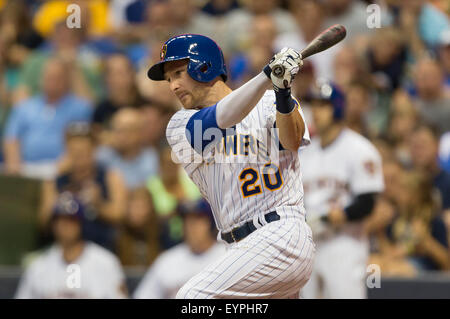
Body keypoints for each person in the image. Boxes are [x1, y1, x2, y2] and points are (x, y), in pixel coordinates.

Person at [147, 34, 314, 298]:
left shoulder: (270, 102)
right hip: (240, 248)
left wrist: (282, 92)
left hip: (282, 234)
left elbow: (292, 141)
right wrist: (266, 76)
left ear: (204, 66)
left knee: (192, 297)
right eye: (169, 79)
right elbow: (223, 117)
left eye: (178, 73)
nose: (173, 86)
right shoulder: (179, 126)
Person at [300, 81, 384, 299]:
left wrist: (339, 215)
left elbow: (368, 202)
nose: (316, 112)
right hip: (310, 243)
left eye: (323, 105)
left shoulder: (359, 149)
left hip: (344, 242)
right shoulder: (306, 151)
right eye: (314, 105)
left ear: (337, 108)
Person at [15, 192, 127, 299]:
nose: (65, 225)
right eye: (60, 220)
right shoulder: (38, 266)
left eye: (71, 220)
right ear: (53, 224)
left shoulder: (106, 262)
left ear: (81, 224)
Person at [40, 122, 127, 252]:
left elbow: (120, 215)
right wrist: (58, 203)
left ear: (93, 150)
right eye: (74, 152)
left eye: (83, 152)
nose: (78, 158)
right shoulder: (56, 181)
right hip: (63, 248)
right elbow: (43, 222)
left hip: (101, 246)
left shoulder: (110, 177)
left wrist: (98, 205)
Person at [3, 58, 92, 180]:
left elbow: (81, 142)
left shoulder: (79, 108)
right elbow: (11, 139)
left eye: (57, 78)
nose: (52, 82)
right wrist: (15, 167)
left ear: (66, 80)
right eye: (48, 77)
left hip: (63, 170)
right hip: (25, 169)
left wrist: (60, 168)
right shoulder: (24, 107)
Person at [133, 199, 226, 299]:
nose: (190, 226)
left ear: (211, 223)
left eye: (197, 220)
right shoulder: (167, 260)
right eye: (187, 220)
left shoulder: (226, 254)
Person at [96, 108, 159, 189]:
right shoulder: (104, 155)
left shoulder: (150, 158)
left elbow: (148, 191)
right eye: (117, 130)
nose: (121, 136)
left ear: (140, 132)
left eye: (126, 130)